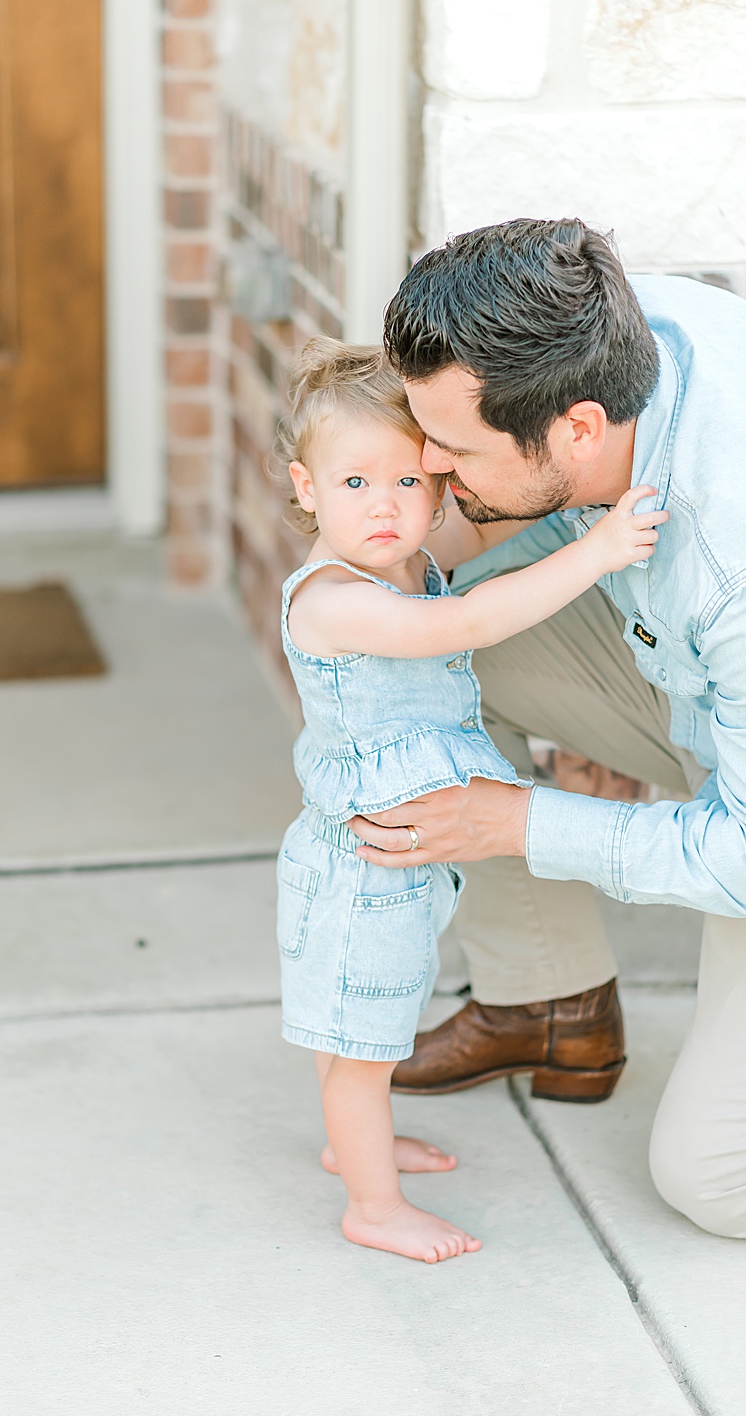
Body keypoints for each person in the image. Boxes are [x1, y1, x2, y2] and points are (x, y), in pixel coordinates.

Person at [349, 218, 746, 1238]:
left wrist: (516, 821)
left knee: (710, 1178)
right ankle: (548, 999)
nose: (428, 463)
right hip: (713, 705)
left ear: (572, 430)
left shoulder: (729, 548)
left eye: (454, 448)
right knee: (396, 651)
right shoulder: (610, 333)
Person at [273, 340, 664, 1262]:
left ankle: (352, 1143)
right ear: (306, 488)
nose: (385, 506)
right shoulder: (333, 599)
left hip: (407, 855)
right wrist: (600, 552)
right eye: (356, 482)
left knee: (369, 1017)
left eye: (409, 483)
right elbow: (467, 623)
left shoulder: (404, 564)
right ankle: (374, 1204)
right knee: (365, 1038)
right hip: (366, 860)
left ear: (441, 488)